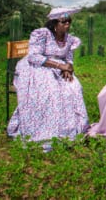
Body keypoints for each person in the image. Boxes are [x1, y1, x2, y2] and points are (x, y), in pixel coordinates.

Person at [7, 8, 88, 151]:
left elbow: (69, 58)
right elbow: (34, 57)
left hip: (60, 69)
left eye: (69, 22)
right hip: (39, 67)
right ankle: (45, 130)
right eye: (63, 22)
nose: (67, 25)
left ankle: (68, 128)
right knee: (50, 90)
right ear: (55, 23)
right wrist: (59, 65)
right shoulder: (42, 34)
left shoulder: (70, 39)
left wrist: (68, 68)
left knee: (74, 88)